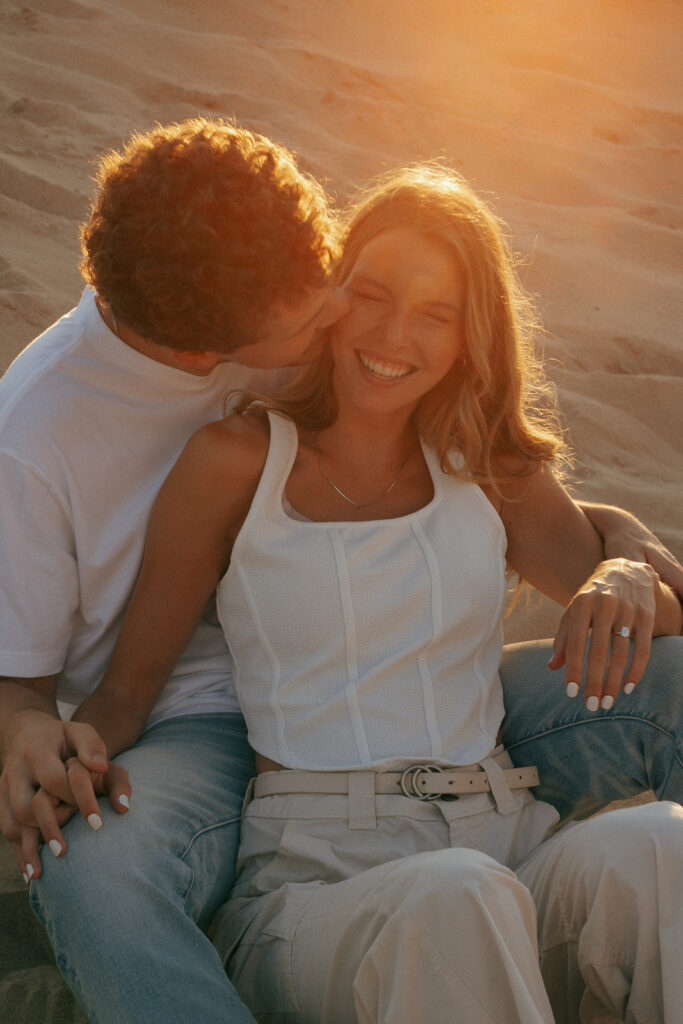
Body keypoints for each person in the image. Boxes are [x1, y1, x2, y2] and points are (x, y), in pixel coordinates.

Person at [0, 120, 680, 1024]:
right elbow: (109, 688)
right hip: (276, 819)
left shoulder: (470, 447)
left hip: (488, 809)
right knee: (448, 897)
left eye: (434, 313)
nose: (374, 326)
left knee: (656, 851)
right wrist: (42, 742)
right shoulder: (201, 445)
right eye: (361, 295)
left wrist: (626, 564)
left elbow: (609, 569)